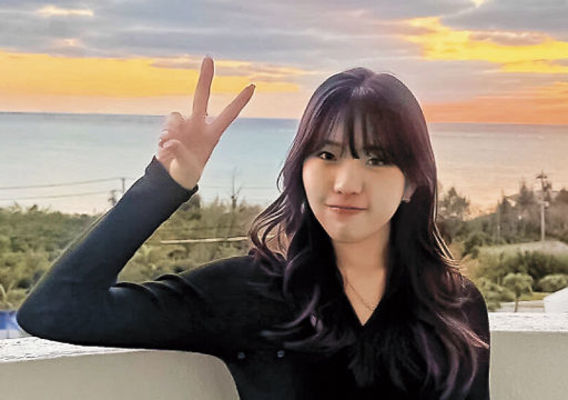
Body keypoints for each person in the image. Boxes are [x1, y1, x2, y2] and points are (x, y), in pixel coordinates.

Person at [16, 56, 490, 399]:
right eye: (327, 154)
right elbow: (56, 309)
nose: (346, 183)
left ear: (412, 183)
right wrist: (165, 184)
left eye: (377, 159)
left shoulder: (454, 306)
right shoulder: (249, 292)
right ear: (301, 167)